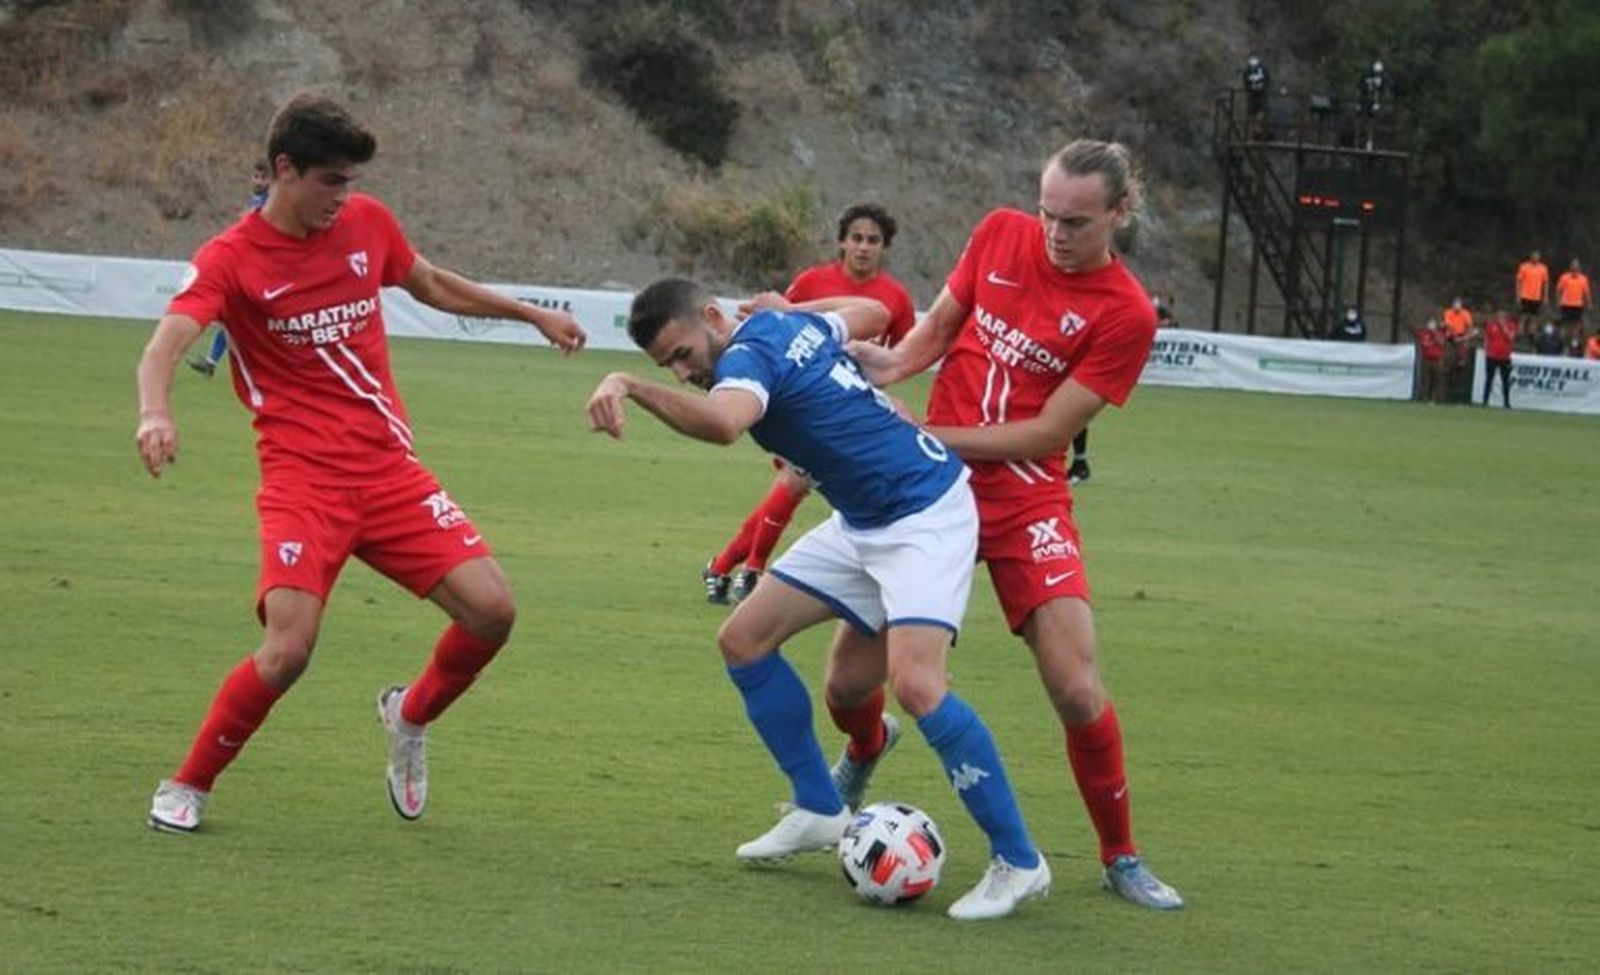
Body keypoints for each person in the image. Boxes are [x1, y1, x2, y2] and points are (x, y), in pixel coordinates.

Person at [134, 92, 587, 834]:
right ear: (286, 170)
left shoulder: (367, 223)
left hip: (389, 473)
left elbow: (433, 284)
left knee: (494, 611)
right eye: (331, 181)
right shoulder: (231, 259)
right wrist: (156, 410)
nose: (345, 198)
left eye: (350, 181)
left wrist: (532, 313)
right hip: (303, 484)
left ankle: (408, 715)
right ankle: (188, 783)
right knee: (287, 651)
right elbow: (165, 346)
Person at [586, 279, 1050, 921]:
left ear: (715, 317)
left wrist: (629, 384)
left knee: (918, 686)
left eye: (685, 353)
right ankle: (819, 807)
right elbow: (873, 313)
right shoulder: (781, 329)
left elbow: (725, 425)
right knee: (743, 641)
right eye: (667, 366)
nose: (685, 372)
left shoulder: (748, 357)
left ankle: (1019, 860)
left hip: (924, 515)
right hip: (862, 521)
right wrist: (797, 312)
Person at [845, 139, 1184, 910]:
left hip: (1025, 496)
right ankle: (860, 750)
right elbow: (937, 329)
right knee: (848, 678)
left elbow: (1044, 434)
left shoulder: (1126, 312)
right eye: (1046, 212)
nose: (1054, 232)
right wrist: (889, 365)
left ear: (1119, 213)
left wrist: (929, 438)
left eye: (1075, 220)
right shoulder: (1000, 231)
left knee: (1074, 686)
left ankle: (1121, 853)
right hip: (931, 490)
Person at [702, 203, 916, 605]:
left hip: (858, 409)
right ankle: (751, 571)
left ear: (883, 247)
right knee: (794, 484)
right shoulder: (812, 282)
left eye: (873, 240)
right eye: (856, 238)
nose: (864, 247)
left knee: (797, 489)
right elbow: (775, 326)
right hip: (803, 405)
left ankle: (722, 566)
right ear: (842, 241)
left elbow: (904, 353)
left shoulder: (896, 298)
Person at [187, 160, 273, 378]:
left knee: (245, 318)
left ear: (271, 181)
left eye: (263, 177)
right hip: (250, 266)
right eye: (256, 176)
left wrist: (249, 217)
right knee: (233, 316)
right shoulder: (257, 201)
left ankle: (261, 366)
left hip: (263, 270)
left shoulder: (270, 203)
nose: (259, 181)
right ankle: (212, 361)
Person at [1481, 308, 1516, 408]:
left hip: (1504, 357)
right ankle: (1485, 401)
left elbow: (1511, 338)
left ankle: (1506, 402)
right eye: (1499, 317)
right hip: (1492, 356)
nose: (1501, 319)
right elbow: (1486, 338)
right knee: (1489, 379)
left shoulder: (1511, 325)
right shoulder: (1491, 325)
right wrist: (1486, 350)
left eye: (1503, 318)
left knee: (1505, 380)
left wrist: (1504, 329)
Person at [1556, 258, 1590, 347]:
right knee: (1565, 325)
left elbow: (1586, 293)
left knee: (1576, 326)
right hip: (1566, 304)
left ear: (1579, 267)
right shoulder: (1564, 277)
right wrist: (1559, 301)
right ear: (1570, 267)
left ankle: (1573, 345)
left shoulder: (1583, 279)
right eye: (1573, 265)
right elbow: (1559, 290)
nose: (1575, 267)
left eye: (1576, 266)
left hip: (1578, 305)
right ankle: (1561, 345)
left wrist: (1589, 302)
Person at [1515, 250, 1549, 336]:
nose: (1535, 258)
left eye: (1537, 256)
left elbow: (1545, 283)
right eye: (1533, 256)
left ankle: (1532, 333)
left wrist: (1545, 296)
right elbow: (1519, 281)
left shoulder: (1543, 268)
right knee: (1524, 315)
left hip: (1536, 296)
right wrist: (1518, 295)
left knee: (1534, 316)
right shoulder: (1524, 266)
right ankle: (1520, 333)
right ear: (1530, 257)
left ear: (1539, 257)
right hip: (1525, 295)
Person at [1414, 317, 1447, 403]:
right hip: (1426, 359)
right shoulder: (1423, 333)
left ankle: (1436, 398)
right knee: (1426, 379)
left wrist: (1436, 336)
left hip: (1437, 360)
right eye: (1430, 324)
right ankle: (1424, 397)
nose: (1431, 326)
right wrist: (1433, 341)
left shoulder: (1439, 333)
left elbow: (1442, 343)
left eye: (1433, 324)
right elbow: (1424, 344)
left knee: (1437, 379)